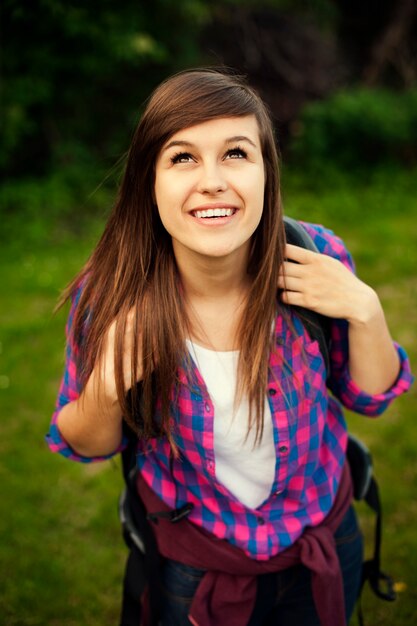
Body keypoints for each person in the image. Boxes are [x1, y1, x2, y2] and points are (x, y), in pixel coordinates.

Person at [47, 68, 413, 626]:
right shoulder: (110, 296)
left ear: (267, 171)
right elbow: (87, 444)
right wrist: (107, 383)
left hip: (324, 536)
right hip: (193, 567)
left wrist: (365, 310)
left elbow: (372, 398)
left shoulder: (318, 258)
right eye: (183, 157)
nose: (213, 180)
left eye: (236, 154)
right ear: (150, 179)